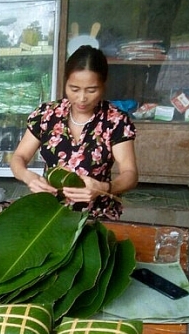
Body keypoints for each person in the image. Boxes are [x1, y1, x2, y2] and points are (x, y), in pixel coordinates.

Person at [9, 45, 138, 219]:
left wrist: (104, 188)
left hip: (96, 215)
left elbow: (130, 174)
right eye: (74, 89)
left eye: (91, 90)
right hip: (49, 213)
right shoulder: (47, 115)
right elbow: (19, 157)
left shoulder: (115, 120)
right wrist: (28, 177)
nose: (82, 98)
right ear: (65, 83)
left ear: (103, 85)